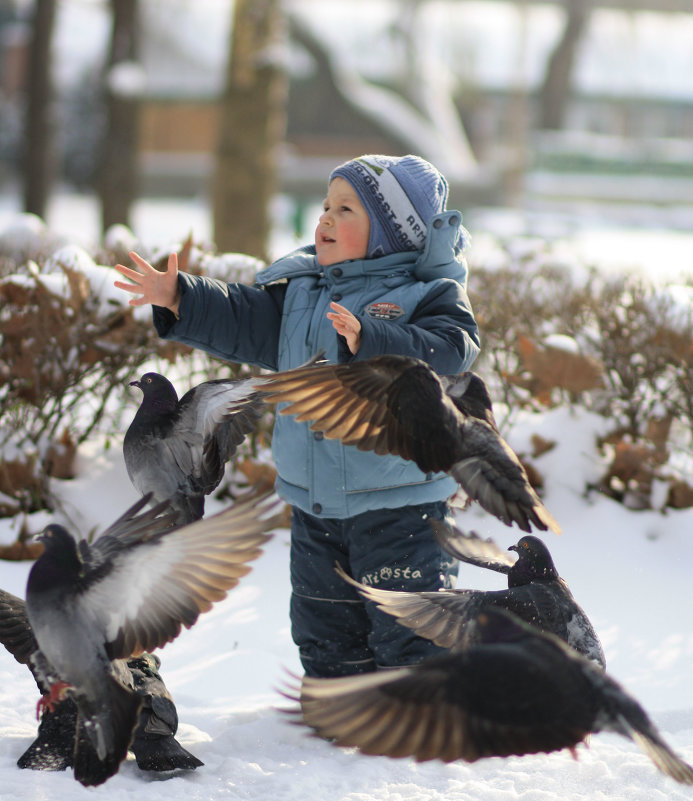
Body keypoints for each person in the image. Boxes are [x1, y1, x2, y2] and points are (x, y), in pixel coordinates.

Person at [113, 154, 480, 678]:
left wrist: (370, 336)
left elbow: (453, 347)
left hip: (401, 506)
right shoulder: (303, 293)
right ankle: (336, 705)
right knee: (323, 624)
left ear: (391, 235)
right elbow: (243, 318)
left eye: (346, 209)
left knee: (410, 625)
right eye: (326, 205)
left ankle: (417, 715)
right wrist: (180, 298)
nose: (325, 218)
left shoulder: (425, 293)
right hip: (314, 502)